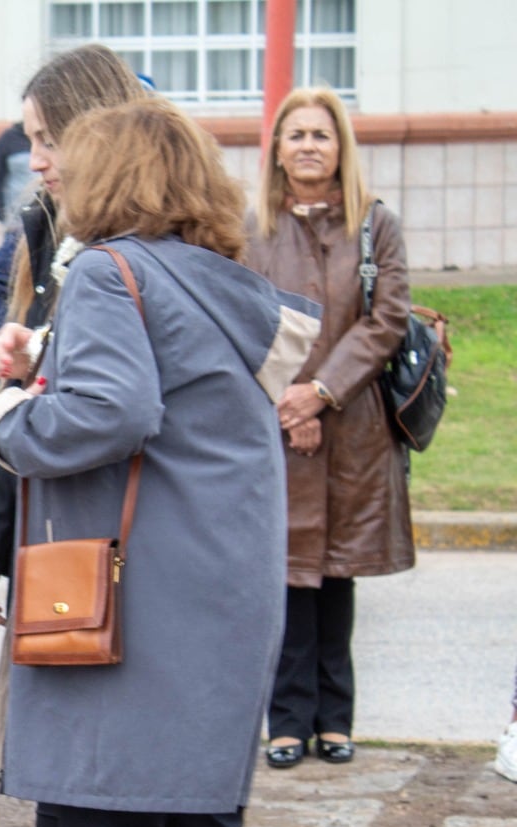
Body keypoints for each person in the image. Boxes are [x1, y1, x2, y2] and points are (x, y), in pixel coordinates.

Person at [0, 95, 317, 827]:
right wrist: (44, 358)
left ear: (108, 181)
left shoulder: (104, 273)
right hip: (220, 602)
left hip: (130, 607)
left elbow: (113, 413)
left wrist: (4, 417)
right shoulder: (223, 281)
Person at [0, 44, 174, 827]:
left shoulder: (152, 248)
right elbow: (31, 399)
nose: (31, 162)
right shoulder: (48, 238)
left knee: (136, 796)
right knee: (51, 773)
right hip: (55, 542)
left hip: (142, 549)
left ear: (95, 130)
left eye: (46, 141)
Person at [245, 86, 414, 771]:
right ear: (278, 150)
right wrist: (289, 403)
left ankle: (335, 719)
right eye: (297, 135)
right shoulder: (249, 225)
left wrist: (320, 393)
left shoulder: (374, 224)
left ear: (340, 147)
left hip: (353, 429)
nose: (309, 145)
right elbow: (241, 315)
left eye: (322, 134)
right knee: (284, 576)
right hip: (272, 426)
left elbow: (387, 319)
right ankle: (285, 721)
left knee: (337, 577)